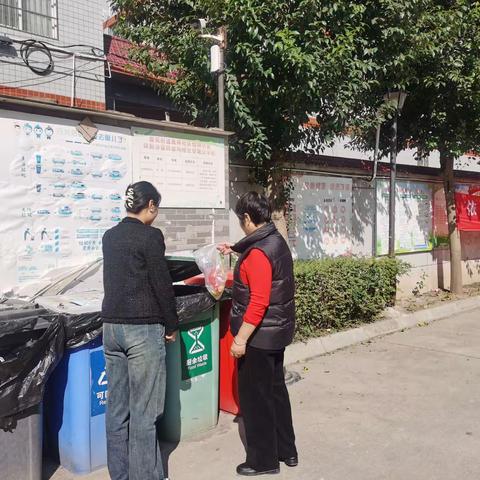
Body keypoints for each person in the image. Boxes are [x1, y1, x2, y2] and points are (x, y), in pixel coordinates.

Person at [218, 191, 298, 476]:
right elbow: (257, 251)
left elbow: (259, 302)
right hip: (276, 334)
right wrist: (235, 248)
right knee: (276, 392)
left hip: (258, 338)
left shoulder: (258, 255)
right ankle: (287, 451)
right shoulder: (274, 240)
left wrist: (240, 340)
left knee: (256, 399)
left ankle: (263, 460)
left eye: (241, 221)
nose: (241, 225)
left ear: (249, 219)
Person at [101, 181, 177, 480]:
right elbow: (161, 283)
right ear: (151, 206)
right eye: (156, 208)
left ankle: (120, 476)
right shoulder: (150, 237)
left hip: (111, 328)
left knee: (117, 411)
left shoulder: (110, 236)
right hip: (142, 330)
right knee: (145, 414)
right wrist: (171, 325)